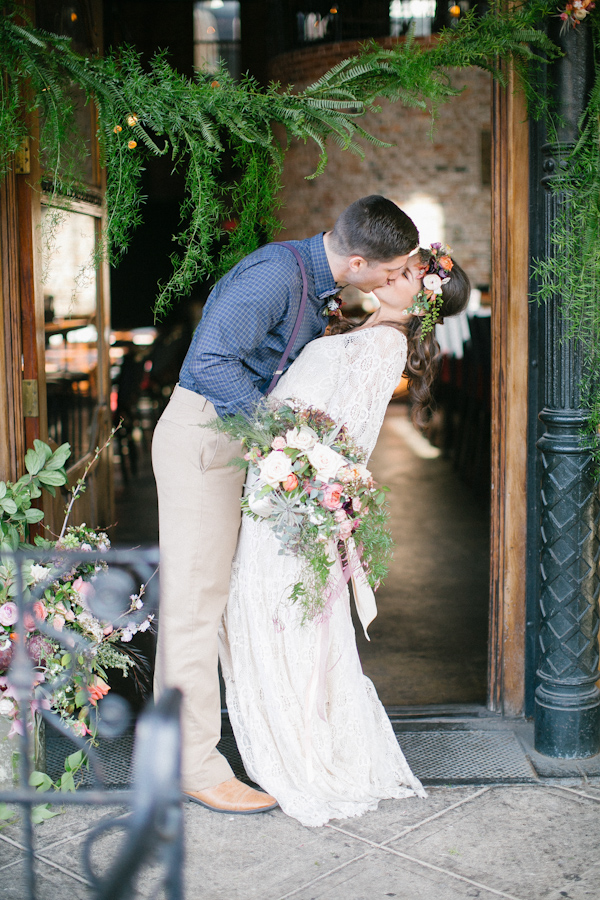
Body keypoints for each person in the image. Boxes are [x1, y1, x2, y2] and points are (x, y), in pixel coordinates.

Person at [151, 196, 420, 814]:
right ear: (357, 261)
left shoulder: (318, 278)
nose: (392, 280)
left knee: (214, 599)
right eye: (387, 270)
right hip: (204, 439)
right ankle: (191, 765)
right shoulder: (275, 275)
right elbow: (211, 364)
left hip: (234, 442)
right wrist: (284, 438)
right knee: (196, 605)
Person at [218, 245, 471, 826]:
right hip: (278, 482)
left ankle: (305, 752)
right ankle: (293, 739)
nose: (394, 272)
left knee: (283, 616)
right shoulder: (364, 328)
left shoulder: (384, 344)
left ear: (423, 301)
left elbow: (344, 437)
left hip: (294, 494)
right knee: (269, 612)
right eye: (400, 265)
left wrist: (298, 475)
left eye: (409, 274)